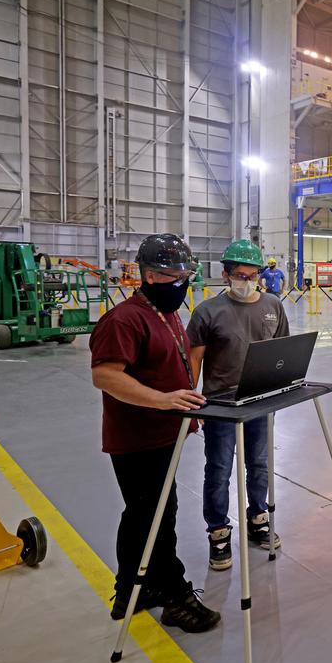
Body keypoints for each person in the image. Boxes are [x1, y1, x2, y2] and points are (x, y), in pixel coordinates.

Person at [90, 234, 221, 632]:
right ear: (147, 275)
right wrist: (164, 401)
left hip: (166, 433)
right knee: (157, 515)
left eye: (186, 275)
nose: (181, 283)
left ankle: (133, 589)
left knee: (142, 513)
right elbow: (105, 375)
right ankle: (173, 595)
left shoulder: (167, 312)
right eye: (172, 275)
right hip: (139, 437)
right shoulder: (124, 319)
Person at [187, 240, 290, 570]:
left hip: (259, 399)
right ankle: (218, 531)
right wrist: (190, 403)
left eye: (252, 275)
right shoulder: (207, 311)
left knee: (258, 464)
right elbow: (194, 359)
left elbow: (282, 350)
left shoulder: (273, 305)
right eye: (239, 275)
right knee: (218, 469)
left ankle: (257, 519)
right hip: (220, 404)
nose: (246, 281)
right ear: (226, 274)